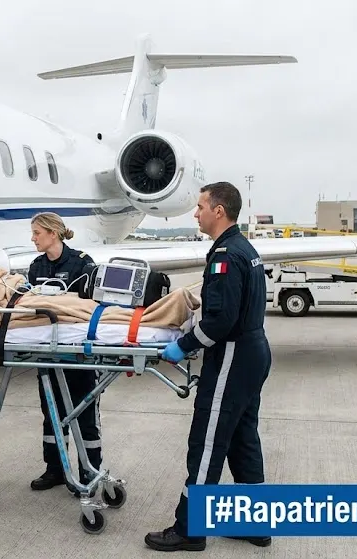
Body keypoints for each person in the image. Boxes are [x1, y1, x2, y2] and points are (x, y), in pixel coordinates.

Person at [144, 182, 273, 552]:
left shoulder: (225, 256)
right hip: (252, 353)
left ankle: (190, 529)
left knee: (207, 444)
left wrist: (181, 346)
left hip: (233, 356)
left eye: (200, 207)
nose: (195, 213)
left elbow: (220, 321)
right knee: (242, 439)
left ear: (219, 211)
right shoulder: (242, 248)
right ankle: (255, 526)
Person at [25, 212, 103, 495]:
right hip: (48, 352)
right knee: (52, 414)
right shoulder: (36, 267)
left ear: (53, 233)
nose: (32, 238)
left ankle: (89, 471)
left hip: (77, 355)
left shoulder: (82, 264)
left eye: (36, 233)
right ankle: (55, 469)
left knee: (84, 415)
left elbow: (91, 305)